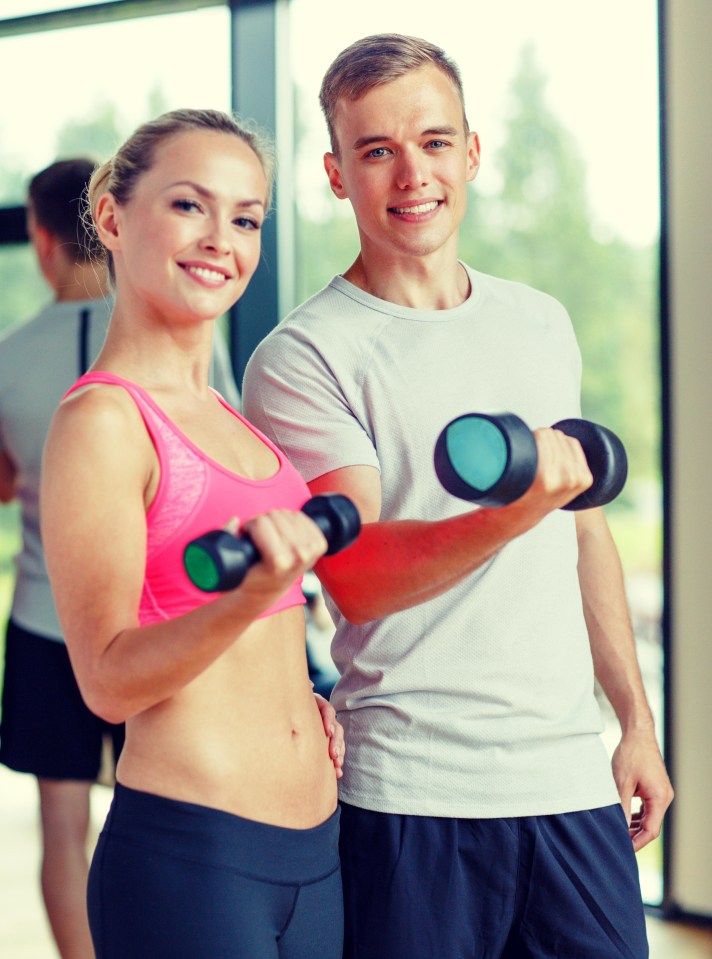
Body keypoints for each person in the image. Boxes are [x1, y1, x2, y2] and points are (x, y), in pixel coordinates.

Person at [242, 33, 674, 959]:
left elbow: (583, 530)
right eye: (377, 150)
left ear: (471, 152)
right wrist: (516, 509)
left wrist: (635, 721)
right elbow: (355, 576)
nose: (412, 175)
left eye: (435, 142)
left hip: (568, 784)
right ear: (335, 172)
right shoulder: (305, 356)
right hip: (414, 796)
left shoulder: (539, 321)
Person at [40, 109, 346, 959]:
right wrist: (242, 598)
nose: (222, 239)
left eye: (246, 217)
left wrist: (307, 702)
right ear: (110, 218)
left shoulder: (232, 416)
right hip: (195, 857)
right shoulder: (104, 422)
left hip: (316, 848)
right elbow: (106, 681)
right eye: (189, 206)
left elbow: (266, 640)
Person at [0, 157, 243, 959]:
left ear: (40, 240)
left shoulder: (8, 357)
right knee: (173, 811)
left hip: (46, 624)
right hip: (165, 624)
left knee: (64, 824)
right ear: (109, 225)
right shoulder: (176, 347)